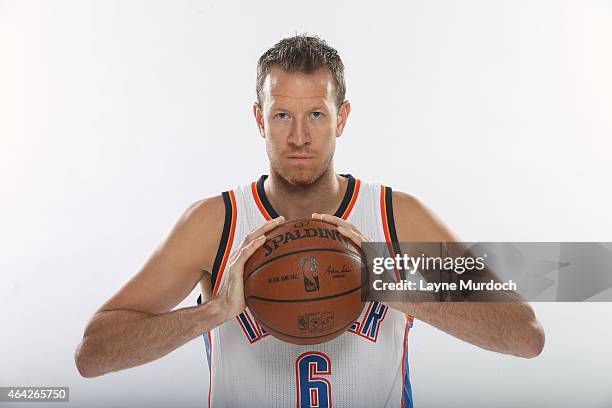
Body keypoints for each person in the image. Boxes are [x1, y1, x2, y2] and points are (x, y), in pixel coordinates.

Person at [75, 35, 545, 407]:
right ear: (260, 119)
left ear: (341, 118)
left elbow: (525, 335)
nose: (299, 136)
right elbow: (92, 354)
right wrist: (213, 312)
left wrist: (396, 291)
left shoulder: (396, 218)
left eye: (316, 114)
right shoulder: (215, 223)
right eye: (282, 115)